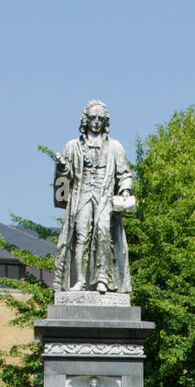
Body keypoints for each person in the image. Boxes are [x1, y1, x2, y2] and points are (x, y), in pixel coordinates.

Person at [53, 100, 135, 294]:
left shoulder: (115, 147)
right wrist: (62, 169)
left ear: (105, 121)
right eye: (92, 118)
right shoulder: (73, 146)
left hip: (104, 195)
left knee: (103, 232)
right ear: (86, 120)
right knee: (80, 236)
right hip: (82, 194)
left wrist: (125, 190)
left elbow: (125, 174)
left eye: (100, 118)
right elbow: (63, 184)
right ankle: (80, 280)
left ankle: (102, 279)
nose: (96, 122)